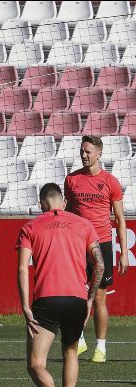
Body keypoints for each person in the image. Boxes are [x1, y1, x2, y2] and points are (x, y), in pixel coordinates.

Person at [17, 183, 104, 387]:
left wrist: (25, 305)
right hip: (77, 299)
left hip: (46, 299)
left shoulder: (30, 227)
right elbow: (100, 264)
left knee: (35, 364)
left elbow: (23, 268)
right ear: (64, 203)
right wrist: (89, 300)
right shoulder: (84, 225)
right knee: (70, 353)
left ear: (41, 204)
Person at [64, 135, 128, 363]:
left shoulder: (110, 182)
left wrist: (124, 254)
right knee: (75, 294)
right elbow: (69, 213)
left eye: (88, 151)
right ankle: (78, 339)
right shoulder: (71, 180)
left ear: (99, 153)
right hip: (76, 245)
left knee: (100, 297)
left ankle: (100, 347)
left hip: (102, 244)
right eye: (82, 151)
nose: (84, 155)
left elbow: (120, 219)